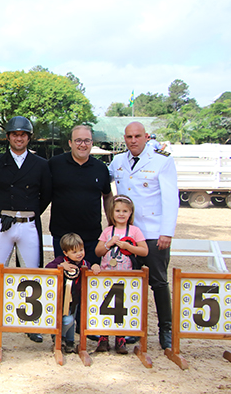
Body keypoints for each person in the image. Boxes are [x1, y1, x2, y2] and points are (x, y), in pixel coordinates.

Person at [0, 116, 52, 343]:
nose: (19, 138)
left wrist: (30, 212)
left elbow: (46, 195)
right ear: (8, 137)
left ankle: (30, 321)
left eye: (23, 135)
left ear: (29, 137)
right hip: (4, 223)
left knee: (31, 272)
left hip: (28, 223)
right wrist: (2, 212)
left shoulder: (40, 164)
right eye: (15, 134)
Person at [109, 121, 178, 349]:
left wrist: (166, 232)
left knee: (159, 283)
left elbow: (170, 199)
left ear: (146, 137)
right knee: (132, 283)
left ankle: (166, 330)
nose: (133, 140)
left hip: (153, 233)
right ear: (124, 138)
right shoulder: (118, 161)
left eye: (137, 136)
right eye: (129, 137)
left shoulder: (162, 161)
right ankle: (133, 329)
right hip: (128, 234)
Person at [49, 125, 112, 265]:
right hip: (63, 237)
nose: (82, 145)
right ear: (70, 143)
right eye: (78, 140)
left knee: (90, 276)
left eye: (87, 141)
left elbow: (107, 196)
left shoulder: (101, 168)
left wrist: (112, 224)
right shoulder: (54, 164)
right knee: (65, 277)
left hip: (91, 237)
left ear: (92, 143)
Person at [94, 194, 148, 354]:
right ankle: (103, 337)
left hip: (126, 275)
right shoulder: (107, 231)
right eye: (118, 211)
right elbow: (98, 252)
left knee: (121, 306)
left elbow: (144, 251)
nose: (121, 214)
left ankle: (120, 338)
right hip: (107, 274)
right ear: (112, 213)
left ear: (131, 213)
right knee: (105, 304)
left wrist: (128, 247)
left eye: (125, 211)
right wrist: (108, 244)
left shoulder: (135, 231)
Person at [45, 233, 100, 354]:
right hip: (63, 298)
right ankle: (58, 336)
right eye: (74, 252)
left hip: (77, 298)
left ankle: (69, 341)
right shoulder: (61, 260)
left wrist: (95, 266)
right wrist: (60, 266)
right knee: (67, 320)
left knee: (73, 319)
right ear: (66, 253)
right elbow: (47, 268)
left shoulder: (85, 263)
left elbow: (92, 270)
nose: (79, 254)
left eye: (81, 250)